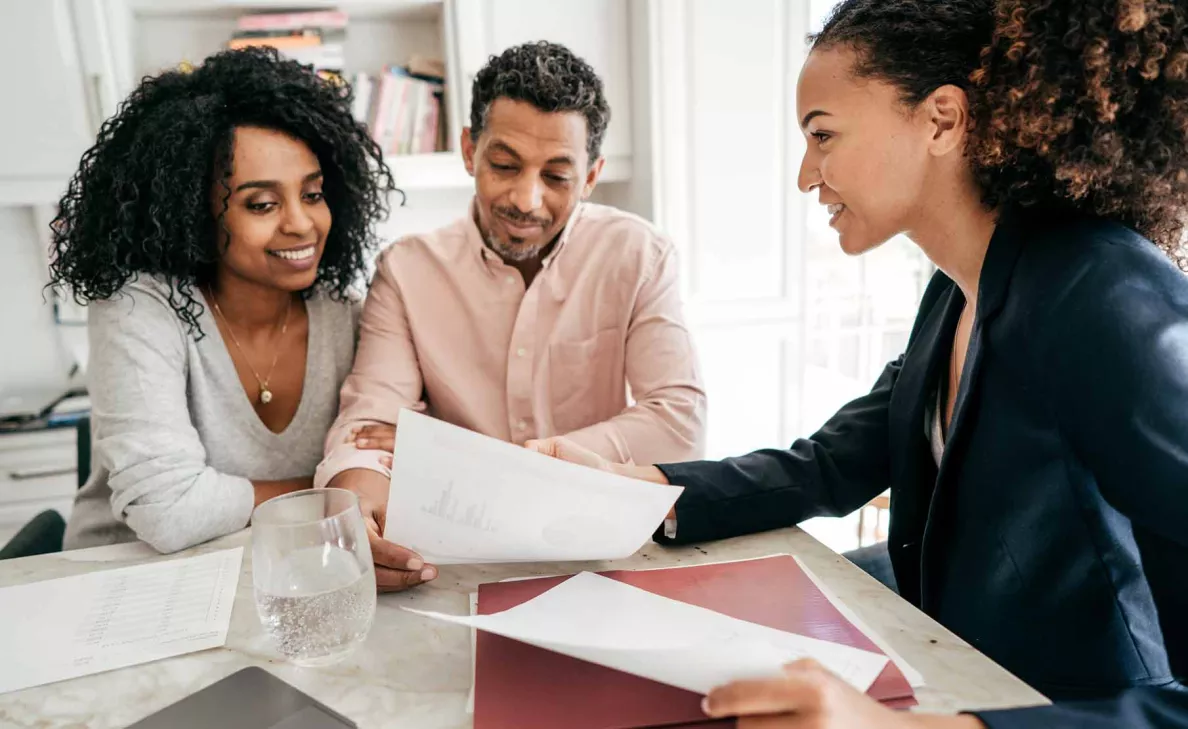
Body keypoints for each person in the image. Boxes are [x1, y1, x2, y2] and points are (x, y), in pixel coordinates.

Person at [527, 0, 1188, 726]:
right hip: (959, 682)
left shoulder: (1103, 296)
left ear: (941, 120)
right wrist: (640, 488)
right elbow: (834, 461)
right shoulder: (956, 287)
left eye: (823, 136)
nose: (807, 176)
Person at [316, 41, 707, 591]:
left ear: (591, 176)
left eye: (556, 177)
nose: (526, 199)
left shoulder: (639, 256)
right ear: (469, 150)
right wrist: (362, 503)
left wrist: (487, 461)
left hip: (600, 552)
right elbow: (366, 430)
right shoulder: (406, 270)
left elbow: (679, 425)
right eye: (504, 165)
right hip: (456, 560)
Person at [52, 47, 397, 553]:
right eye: (262, 204)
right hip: (122, 578)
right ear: (193, 212)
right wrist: (338, 489)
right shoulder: (139, 307)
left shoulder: (342, 313)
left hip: (269, 570)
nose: (301, 223)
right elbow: (169, 511)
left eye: (313, 194)